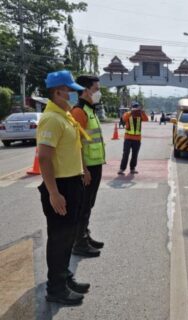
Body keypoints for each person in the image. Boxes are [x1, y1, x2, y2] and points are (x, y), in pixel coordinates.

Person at [37, 70, 91, 305]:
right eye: (68, 91)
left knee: (68, 237)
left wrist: (83, 170)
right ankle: (56, 288)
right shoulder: (51, 119)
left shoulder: (65, 116)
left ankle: (65, 276)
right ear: (57, 92)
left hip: (72, 181)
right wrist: (53, 192)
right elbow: (45, 158)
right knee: (59, 238)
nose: (71, 95)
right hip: (60, 185)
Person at [70, 75, 106, 258]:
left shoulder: (90, 110)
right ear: (85, 90)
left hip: (95, 164)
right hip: (87, 167)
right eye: (96, 89)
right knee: (83, 205)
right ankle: (79, 243)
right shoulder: (79, 112)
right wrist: (83, 169)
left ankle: (85, 234)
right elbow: (77, 144)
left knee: (89, 204)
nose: (98, 93)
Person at [118, 102, 148, 175]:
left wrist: (142, 112)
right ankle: (122, 169)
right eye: (134, 107)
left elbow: (146, 119)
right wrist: (131, 112)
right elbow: (124, 119)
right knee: (126, 154)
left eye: (137, 107)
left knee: (135, 155)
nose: (135, 109)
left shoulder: (140, 115)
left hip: (137, 139)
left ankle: (132, 168)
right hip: (128, 138)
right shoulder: (128, 114)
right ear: (132, 108)